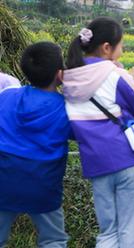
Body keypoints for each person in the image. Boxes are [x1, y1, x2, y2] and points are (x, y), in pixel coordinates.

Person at [62, 17, 134, 248]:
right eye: (121, 43)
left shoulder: (70, 79)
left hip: (96, 165)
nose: (123, 48)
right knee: (132, 234)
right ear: (107, 47)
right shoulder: (114, 75)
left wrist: (127, 78)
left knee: (108, 233)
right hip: (126, 161)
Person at [0, 42, 71, 247]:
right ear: (60, 74)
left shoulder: (7, 96)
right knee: (54, 239)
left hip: (4, 179)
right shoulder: (65, 106)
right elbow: (79, 134)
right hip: (43, 184)